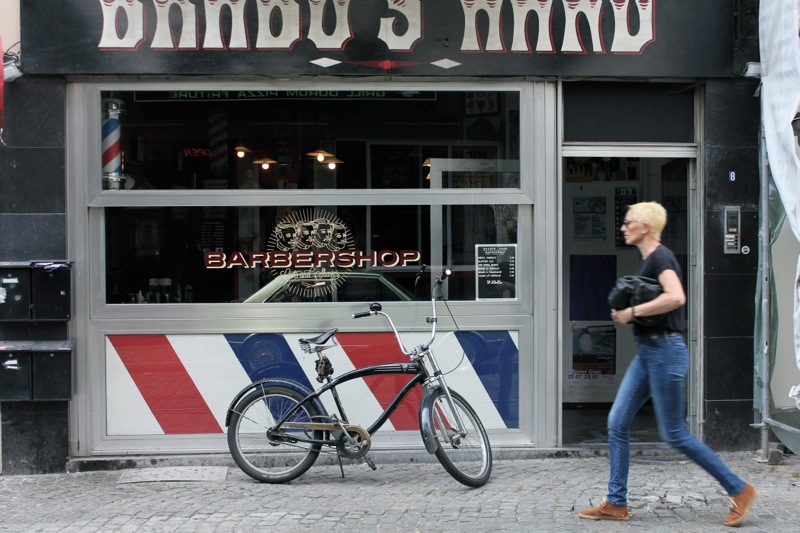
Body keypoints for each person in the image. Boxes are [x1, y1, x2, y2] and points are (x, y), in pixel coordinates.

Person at [578, 202, 757, 527]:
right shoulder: (648, 259)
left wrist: (632, 313)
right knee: (617, 422)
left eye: (628, 222)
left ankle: (739, 489)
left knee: (674, 433)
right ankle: (616, 503)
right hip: (649, 353)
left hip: (665, 352)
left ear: (644, 227)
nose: (623, 227)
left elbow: (676, 297)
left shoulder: (661, 257)